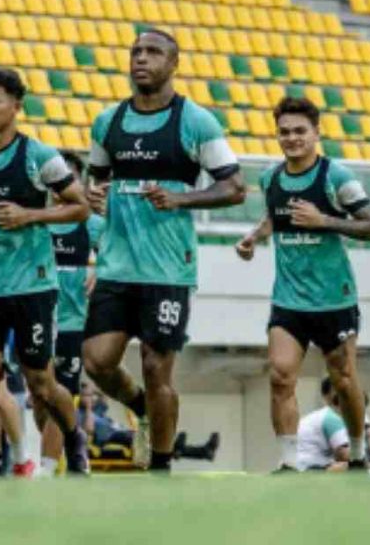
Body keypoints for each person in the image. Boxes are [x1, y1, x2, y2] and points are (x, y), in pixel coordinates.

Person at [83, 29, 246, 472]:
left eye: (153, 52)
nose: (141, 58)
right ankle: (139, 407)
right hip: (117, 266)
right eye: (135, 51)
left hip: (168, 270)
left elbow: (235, 188)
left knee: (157, 367)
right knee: (96, 363)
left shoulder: (197, 122)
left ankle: (160, 465)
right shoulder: (108, 122)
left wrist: (181, 198)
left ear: (174, 63)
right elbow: (92, 183)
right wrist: (94, 200)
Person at [0, 65, 92, 477]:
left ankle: (74, 437)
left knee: (40, 383)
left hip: (32, 285)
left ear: (16, 106)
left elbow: (79, 206)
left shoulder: (40, 158)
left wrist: (29, 215)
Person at [236, 96, 370, 472]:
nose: (292, 138)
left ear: (316, 133)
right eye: (284, 132)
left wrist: (325, 221)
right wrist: (254, 237)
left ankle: (360, 451)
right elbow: (275, 217)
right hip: (288, 299)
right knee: (280, 375)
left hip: (334, 298)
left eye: (300, 131)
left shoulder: (337, 178)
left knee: (344, 379)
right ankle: (289, 463)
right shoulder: (269, 178)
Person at [40, 150, 105, 476]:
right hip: (35, 319)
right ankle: (72, 441)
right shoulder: (36, 221)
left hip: (72, 324)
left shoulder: (91, 225)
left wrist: (102, 268)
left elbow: (120, 248)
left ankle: (48, 466)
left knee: (60, 392)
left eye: (69, 178)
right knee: (41, 397)